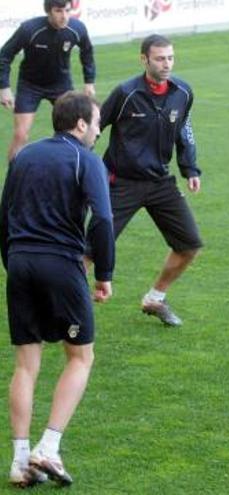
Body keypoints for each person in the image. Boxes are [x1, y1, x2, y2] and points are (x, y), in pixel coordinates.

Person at [0, 91, 114, 487]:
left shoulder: (25, 155)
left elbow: (4, 214)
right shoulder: (87, 160)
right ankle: (48, 447)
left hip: (19, 264)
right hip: (60, 266)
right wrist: (104, 274)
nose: (99, 129)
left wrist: (11, 263)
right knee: (81, 357)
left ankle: (18, 460)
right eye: (96, 122)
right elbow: (101, 220)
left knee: (26, 365)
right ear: (80, 124)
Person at [98, 34, 202, 327]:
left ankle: (155, 298)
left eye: (170, 57)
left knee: (189, 244)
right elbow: (95, 127)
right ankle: (61, 305)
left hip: (160, 182)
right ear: (144, 59)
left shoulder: (183, 92)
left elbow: (185, 131)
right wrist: (81, 169)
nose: (166, 64)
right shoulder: (126, 93)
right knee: (91, 250)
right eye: (159, 58)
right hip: (122, 183)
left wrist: (190, 169)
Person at [0, 0, 96, 162]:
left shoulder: (77, 28)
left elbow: (87, 52)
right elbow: (5, 56)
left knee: (77, 129)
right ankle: (13, 179)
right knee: (21, 135)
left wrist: (89, 81)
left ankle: (80, 169)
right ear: (49, 11)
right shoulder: (29, 29)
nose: (64, 16)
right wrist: (4, 87)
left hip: (61, 84)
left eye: (67, 10)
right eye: (58, 11)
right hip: (30, 85)